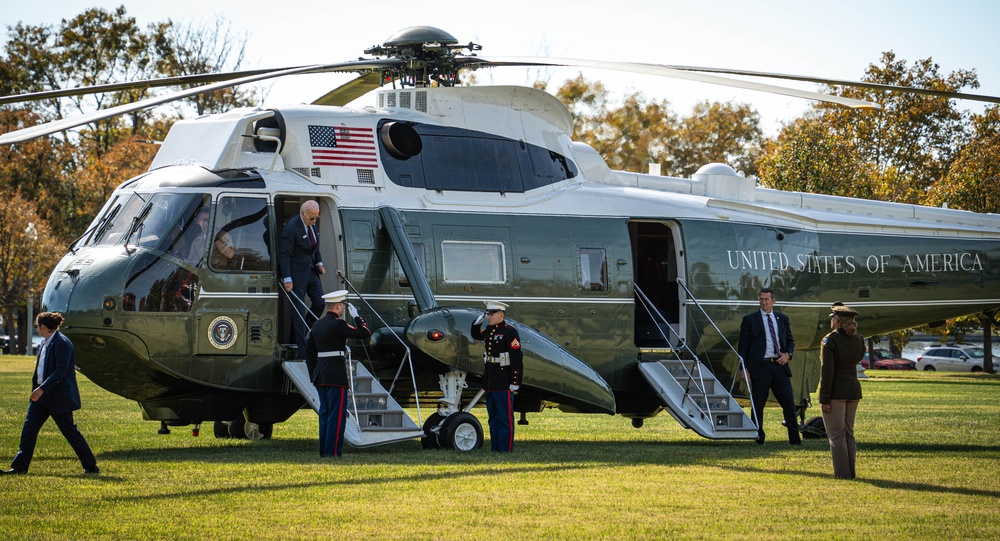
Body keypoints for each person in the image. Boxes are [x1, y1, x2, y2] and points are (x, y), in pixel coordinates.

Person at [2, 312, 99, 476]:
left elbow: (60, 372)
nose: (37, 329)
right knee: (29, 431)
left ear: (43, 326)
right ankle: (19, 467)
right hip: (41, 397)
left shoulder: (62, 343)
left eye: (37, 326)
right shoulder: (45, 343)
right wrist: (39, 389)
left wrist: (42, 388)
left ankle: (91, 466)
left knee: (70, 431)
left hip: (57, 397)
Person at [304, 289, 370, 458]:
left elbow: (309, 352)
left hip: (320, 374)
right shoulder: (338, 324)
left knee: (325, 414)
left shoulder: (317, 325)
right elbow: (363, 333)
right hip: (335, 375)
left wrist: (314, 374)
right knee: (337, 415)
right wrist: (357, 317)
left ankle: (324, 452)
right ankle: (333, 452)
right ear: (339, 307)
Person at [737, 287, 802, 446]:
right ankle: (758, 438)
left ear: (774, 301)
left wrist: (788, 355)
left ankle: (794, 440)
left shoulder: (782, 318)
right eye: (761, 299)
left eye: (766, 299)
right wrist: (743, 369)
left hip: (780, 367)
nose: (763, 302)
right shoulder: (750, 320)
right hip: (760, 368)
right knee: (758, 405)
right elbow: (743, 348)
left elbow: (790, 342)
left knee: (788, 403)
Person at [470, 300, 524, 452]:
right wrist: (476, 323)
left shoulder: (509, 331)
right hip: (490, 380)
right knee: (493, 418)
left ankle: (505, 449)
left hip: (503, 379)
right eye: (487, 314)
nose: (489, 317)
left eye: (491, 314)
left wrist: (515, 381)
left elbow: (516, 358)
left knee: (504, 418)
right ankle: (495, 449)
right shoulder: (489, 330)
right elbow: (476, 335)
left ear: (501, 315)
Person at [819, 302, 864, 479]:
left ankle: (842, 474)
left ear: (837, 321)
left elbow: (827, 372)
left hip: (836, 392)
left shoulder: (829, 340)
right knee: (848, 433)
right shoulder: (858, 339)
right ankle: (850, 472)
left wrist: (824, 399)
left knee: (836, 435)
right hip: (853, 389)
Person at [280, 200, 326, 355]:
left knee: (320, 302)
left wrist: (319, 262)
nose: (314, 221)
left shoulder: (312, 224)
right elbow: (285, 255)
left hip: (312, 271)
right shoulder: (291, 228)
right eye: (311, 218)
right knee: (298, 309)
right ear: (303, 214)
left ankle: (300, 332)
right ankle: (301, 347)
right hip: (297, 274)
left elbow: (314, 247)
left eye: (316, 218)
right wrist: (287, 279)